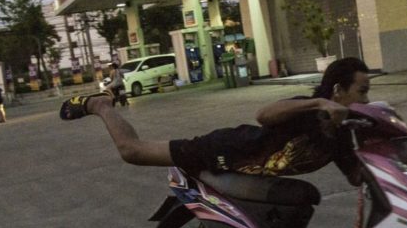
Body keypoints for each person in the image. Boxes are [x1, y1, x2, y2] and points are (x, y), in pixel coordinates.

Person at [59, 57, 371, 177]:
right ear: (339, 90)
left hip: (254, 184)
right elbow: (264, 115)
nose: (366, 99)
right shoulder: (309, 109)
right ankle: (101, 105)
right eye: (362, 91)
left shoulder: (344, 136)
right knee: (133, 152)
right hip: (225, 151)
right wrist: (318, 103)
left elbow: (359, 178)